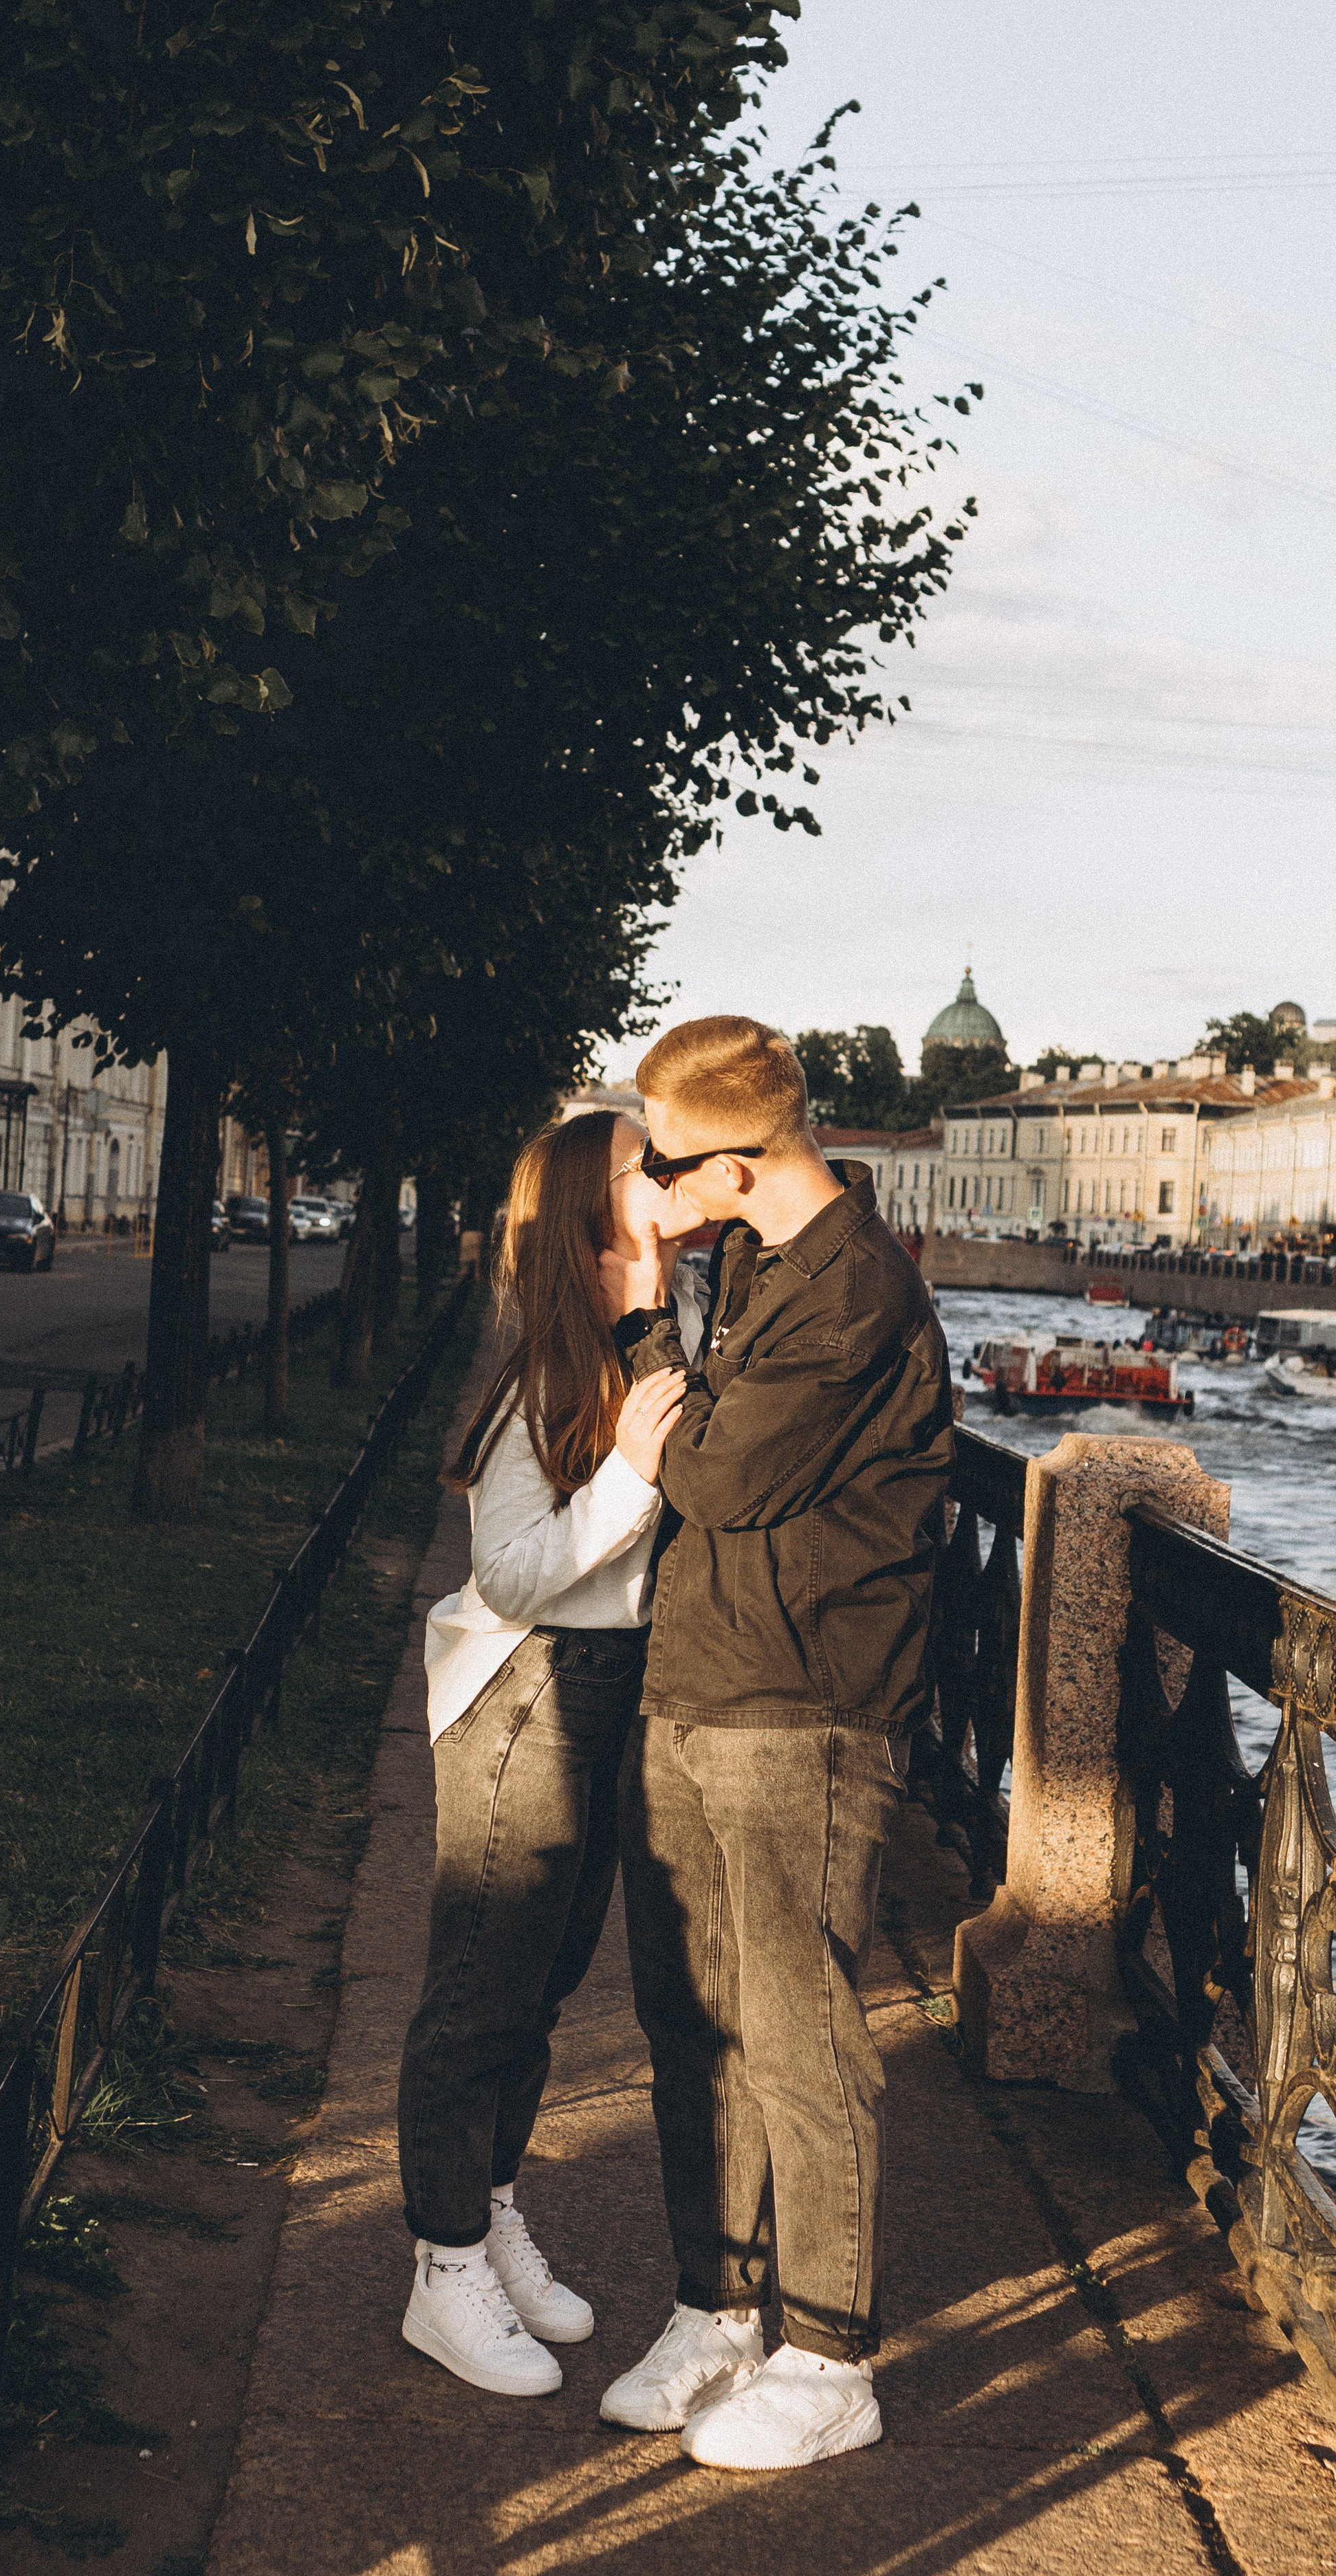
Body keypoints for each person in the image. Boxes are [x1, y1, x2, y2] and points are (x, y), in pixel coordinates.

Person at [597, 1016, 952, 2472]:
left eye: (662, 1161)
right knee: (691, 2024)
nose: (645, 1182)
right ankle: (719, 2310)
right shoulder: (748, 1264)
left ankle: (829, 2354)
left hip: (805, 1706)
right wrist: (655, 1313)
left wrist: (639, 1360)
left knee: (801, 2041)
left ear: (735, 1162)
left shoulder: (857, 1292)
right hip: (695, 1683)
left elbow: (722, 1473)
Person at [397, 1109, 688, 2398]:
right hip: (528, 1691)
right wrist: (630, 1474)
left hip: (605, 1689)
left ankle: (491, 2206)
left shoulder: (649, 1343)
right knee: (478, 1992)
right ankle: (442, 2265)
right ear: (589, 1212)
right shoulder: (545, 1382)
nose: (671, 1187)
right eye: (646, 1173)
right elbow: (512, 1574)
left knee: (547, 1982)